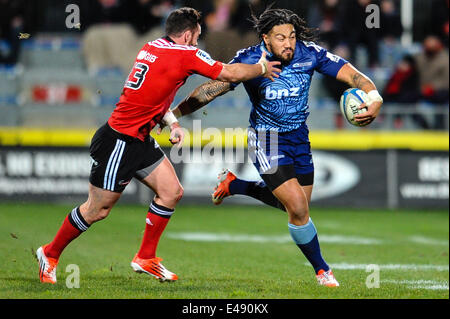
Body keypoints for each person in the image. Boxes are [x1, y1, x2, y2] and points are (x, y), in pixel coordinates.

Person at [36, 7, 281, 284]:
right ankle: (50, 253)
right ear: (188, 35)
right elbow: (230, 74)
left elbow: (154, 94)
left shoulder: (152, 47)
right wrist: (261, 67)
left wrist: (173, 124)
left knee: (171, 191)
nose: (198, 42)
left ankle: (146, 258)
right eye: (197, 36)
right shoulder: (185, 53)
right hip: (121, 141)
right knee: (97, 210)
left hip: (139, 137)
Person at [169, 8, 383, 287]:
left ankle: (236, 185)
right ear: (265, 39)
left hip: (299, 139)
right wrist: (174, 115)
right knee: (297, 207)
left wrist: (374, 95)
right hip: (266, 139)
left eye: (292, 36)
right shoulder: (250, 59)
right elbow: (210, 90)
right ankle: (323, 271)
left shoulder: (310, 54)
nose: (289, 43)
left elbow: (352, 75)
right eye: (281, 37)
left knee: (295, 208)